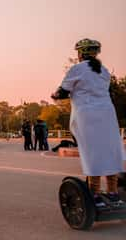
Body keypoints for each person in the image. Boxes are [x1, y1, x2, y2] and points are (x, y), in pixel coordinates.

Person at [52, 38, 125, 206]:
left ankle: (96, 195)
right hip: (107, 114)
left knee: (93, 153)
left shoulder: (77, 69)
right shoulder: (104, 71)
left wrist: (55, 95)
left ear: (81, 53)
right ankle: (113, 193)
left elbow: (63, 92)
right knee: (109, 151)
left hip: (87, 116)